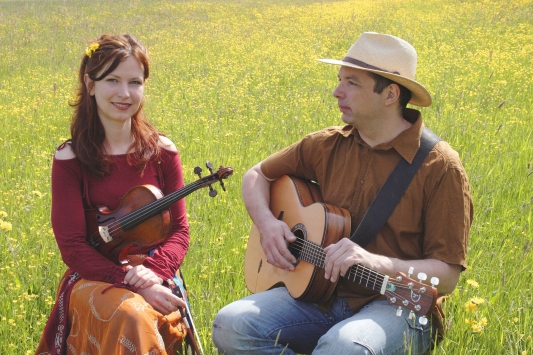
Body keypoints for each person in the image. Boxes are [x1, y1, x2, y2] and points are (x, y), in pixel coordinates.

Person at [212, 32, 473, 354]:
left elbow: (446, 277)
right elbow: (257, 175)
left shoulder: (440, 166)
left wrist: (378, 262)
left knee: (345, 346)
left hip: (399, 303)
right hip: (322, 294)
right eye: (340, 80)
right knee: (231, 324)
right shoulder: (325, 145)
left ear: (390, 94)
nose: (337, 92)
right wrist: (268, 225)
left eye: (352, 83)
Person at [35, 34, 191, 355]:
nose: (124, 93)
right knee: (131, 314)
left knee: (136, 313)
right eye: (112, 80)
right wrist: (131, 283)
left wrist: (155, 274)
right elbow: (73, 246)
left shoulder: (163, 151)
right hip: (95, 275)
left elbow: (179, 230)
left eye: (135, 82)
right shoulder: (70, 159)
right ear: (90, 85)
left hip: (153, 269)